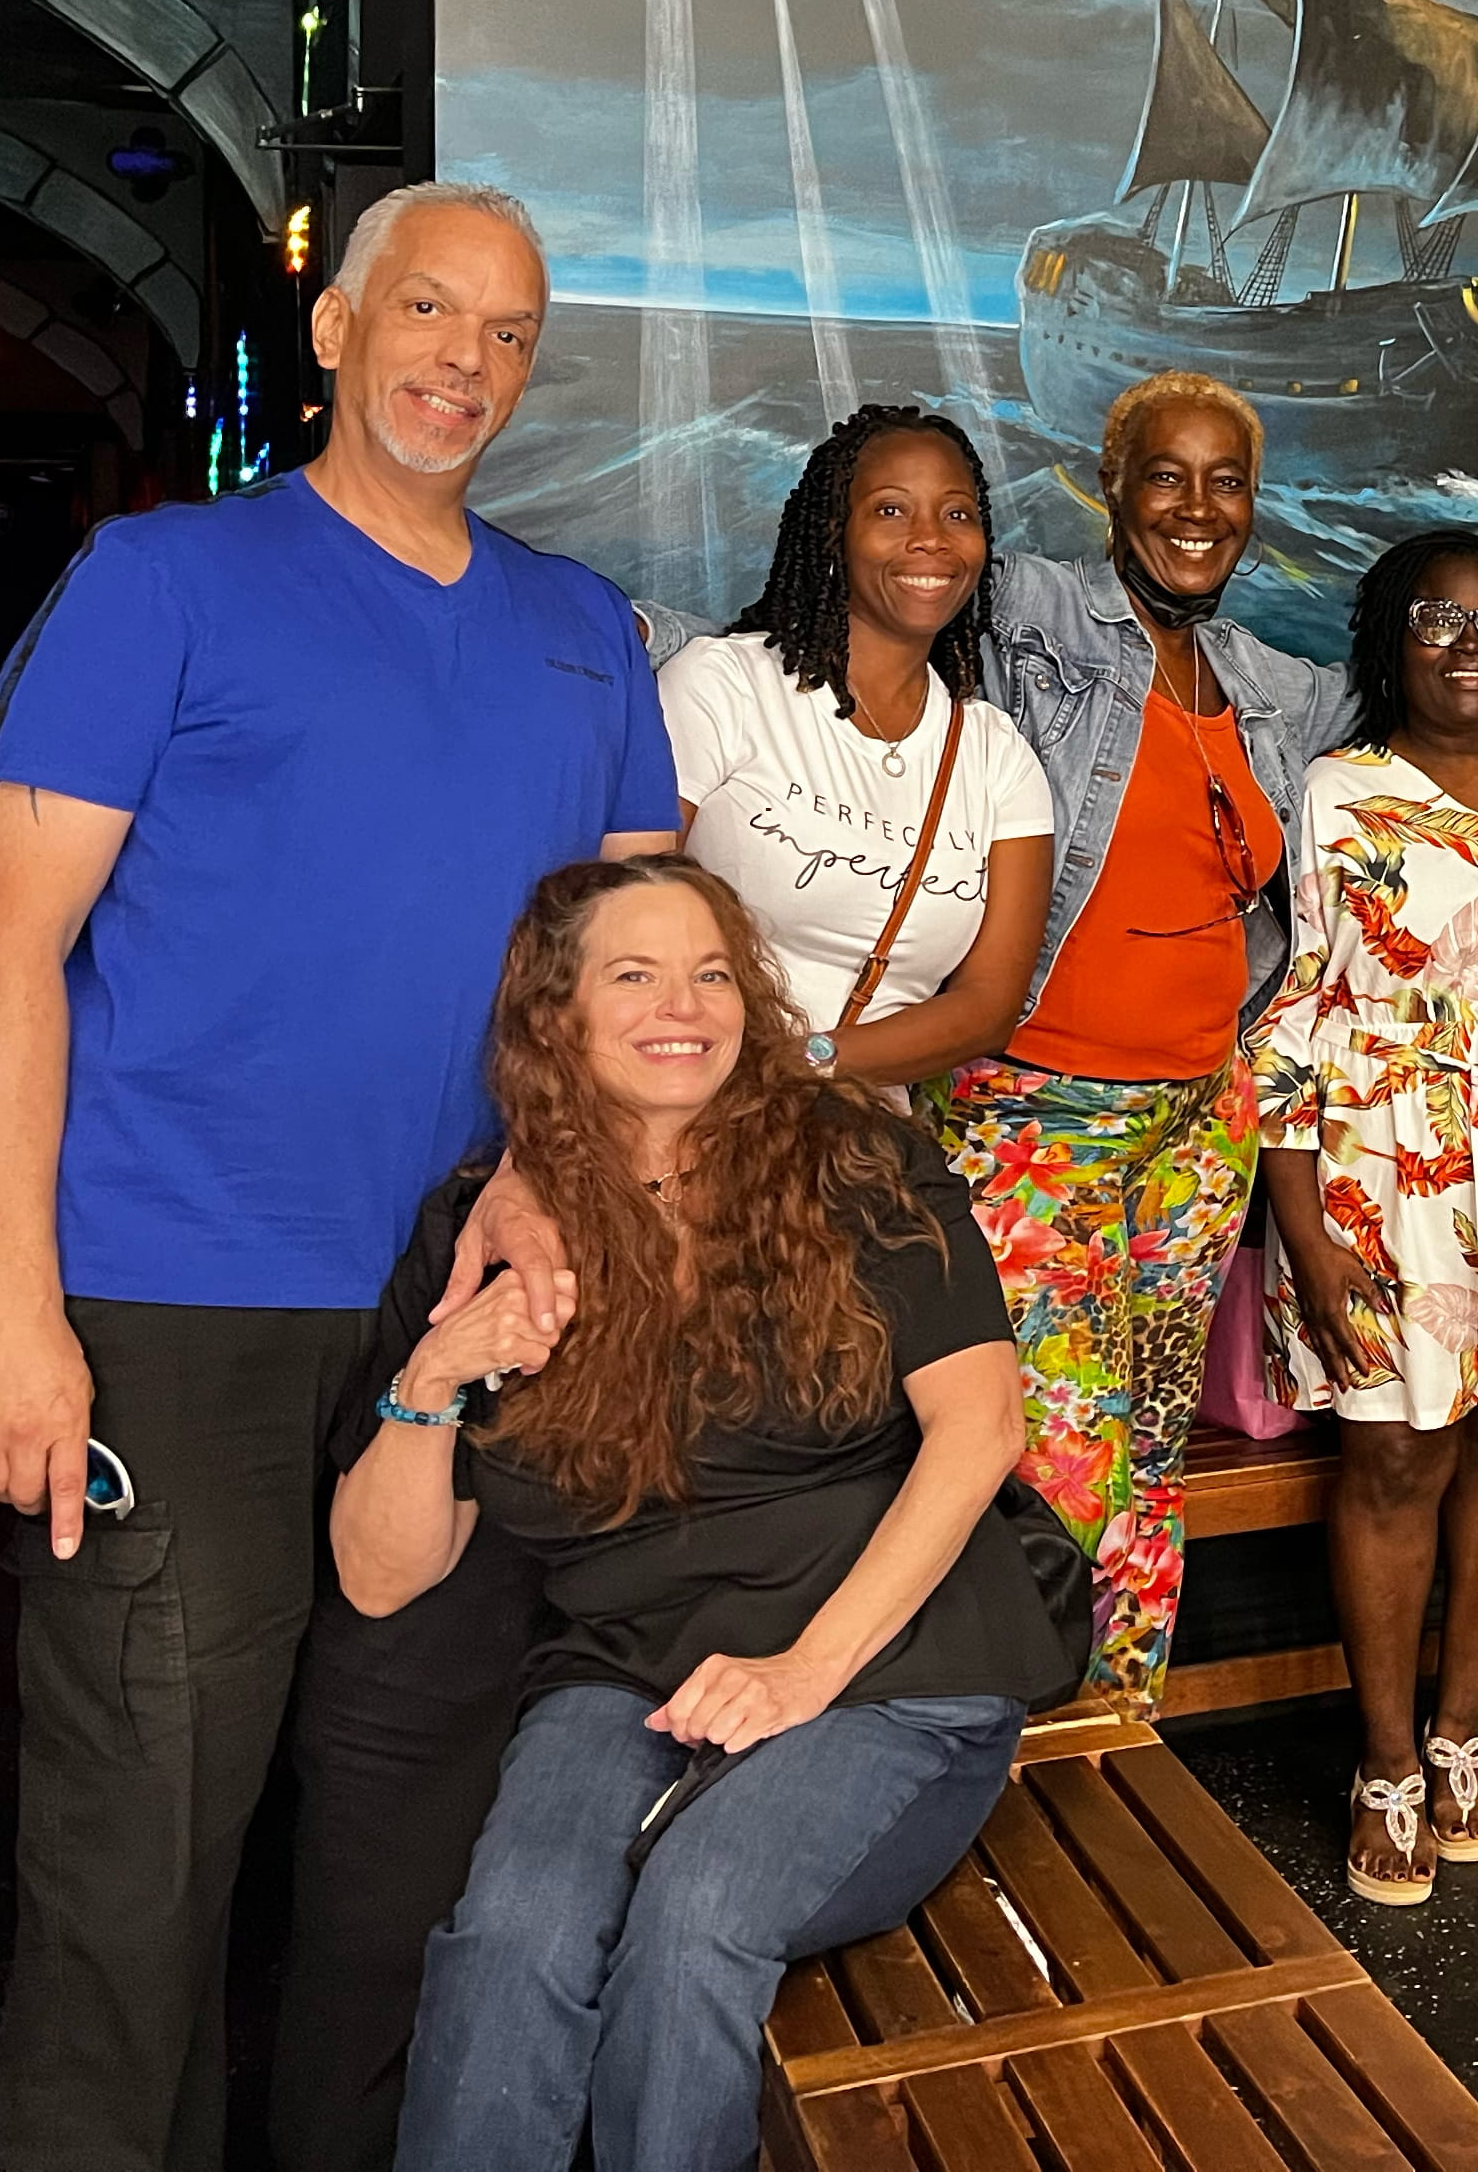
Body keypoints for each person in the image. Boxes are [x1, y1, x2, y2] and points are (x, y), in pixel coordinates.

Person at [0, 180, 679, 2172]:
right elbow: (1, 948)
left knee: (404, 1859)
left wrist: (547, 1178)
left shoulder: (582, 633)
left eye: (508, 333)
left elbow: (626, 979)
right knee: (143, 1852)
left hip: (460, 1313)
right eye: (428, 311)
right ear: (337, 328)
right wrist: (10, 1311)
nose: (467, 359)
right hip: (176, 1303)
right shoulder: (160, 580)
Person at [332, 859, 1053, 2172]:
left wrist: (801, 1674)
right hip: (628, 1669)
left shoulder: (857, 1161)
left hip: (891, 1663)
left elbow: (983, 1429)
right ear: (555, 1016)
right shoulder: (487, 1230)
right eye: (635, 975)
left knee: (696, 1915)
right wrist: (430, 1380)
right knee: (512, 1933)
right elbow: (382, 1576)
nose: (685, 1006)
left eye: (712, 973)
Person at [945, 372, 1478, 1704]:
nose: (1198, 508)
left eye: (1226, 483)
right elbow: (889, 589)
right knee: (1053, 1453)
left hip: (1197, 1119)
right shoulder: (1033, 611)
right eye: (1166, 476)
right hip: (1038, 1109)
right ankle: (1000, 1734)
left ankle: (1115, 1718)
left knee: (1147, 1449)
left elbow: (1453, 708)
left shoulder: (1267, 690)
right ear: (1109, 488)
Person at [1252, 531, 1478, 1906]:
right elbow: (1297, 1008)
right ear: (1390, 637)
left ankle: (1465, 1732)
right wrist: (1305, 1231)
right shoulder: (1337, 791)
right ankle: (1387, 1764)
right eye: (1438, 618)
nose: (1472, 646)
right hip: (1385, 1162)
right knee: (1395, 1456)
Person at [656, 406, 1056, 1091]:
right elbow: (626, 910)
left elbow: (988, 1008)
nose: (931, 539)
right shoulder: (725, 684)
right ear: (833, 534)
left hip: (857, 1139)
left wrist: (802, 1062)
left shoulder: (996, 757)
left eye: (957, 514)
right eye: (891, 511)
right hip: (689, 1103)